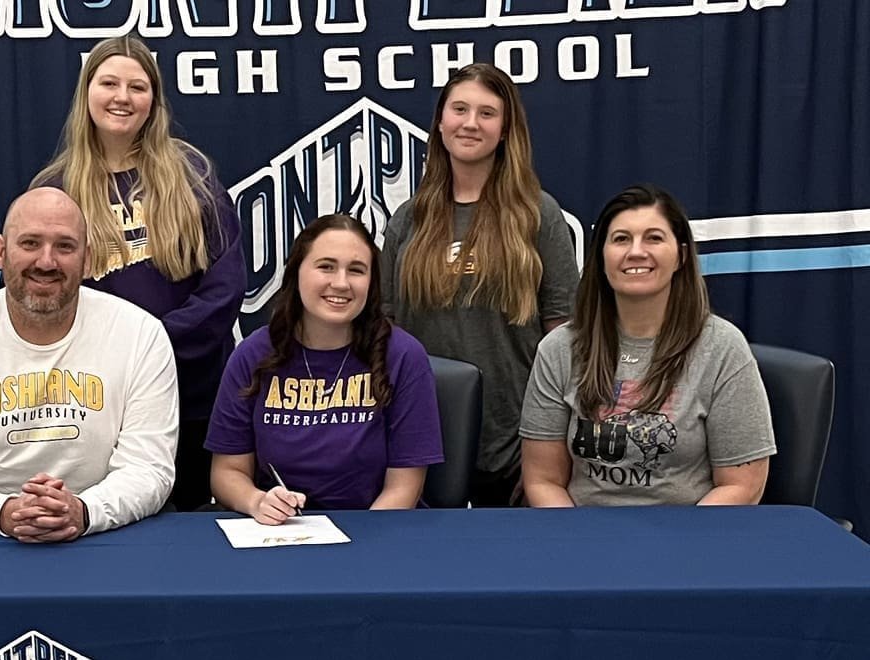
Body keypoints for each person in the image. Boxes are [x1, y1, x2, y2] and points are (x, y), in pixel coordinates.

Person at [31, 35, 245, 511]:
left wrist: (148, 346)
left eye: (137, 86)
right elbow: (34, 292)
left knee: (187, 526)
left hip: (189, 394)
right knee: (101, 518)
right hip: (93, 400)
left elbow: (224, 286)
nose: (122, 97)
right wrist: (110, 357)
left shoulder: (192, 176)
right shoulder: (55, 189)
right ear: (87, 92)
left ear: (154, 100)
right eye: (109, 83)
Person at [0, 187, 178, 541]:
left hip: (106, 537)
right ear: (1, 252)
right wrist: (6, 514)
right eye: (30, 243)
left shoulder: (141, 335)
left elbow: (148, 468)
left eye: (64, 246)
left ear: (88, 259)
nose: (46, 262)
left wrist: (83, 511)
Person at [381, 63, 579, 506]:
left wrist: (553, 440)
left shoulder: (538, 215)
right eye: (460, 109)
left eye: (487, 113)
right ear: (440, 121)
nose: (471, 123)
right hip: (423, 437)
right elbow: (385, 331)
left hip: (517, 442)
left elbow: (564, 337)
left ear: (505, 130)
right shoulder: (408, 220)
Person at [519, 184, 776, 507]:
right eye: (621, 239)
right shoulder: (559, 349)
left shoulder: (723, 348)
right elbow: (543, 480)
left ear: (681, 255)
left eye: (654, 238)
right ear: (601, 257)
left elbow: (742, 485)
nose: (636, 251)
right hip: (583, 531)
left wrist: (682, 539)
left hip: (691, 532)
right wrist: (577, 535)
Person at [206, 214, 444, 524]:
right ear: (296, 271)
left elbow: (404, 488)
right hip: (279, 531)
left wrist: (359, 545)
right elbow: (227, 471)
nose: (341, 283)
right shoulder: (252, 355)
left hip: (377, 529)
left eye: (356, 270)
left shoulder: (403, 356)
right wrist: (256, 501)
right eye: (326, 267)